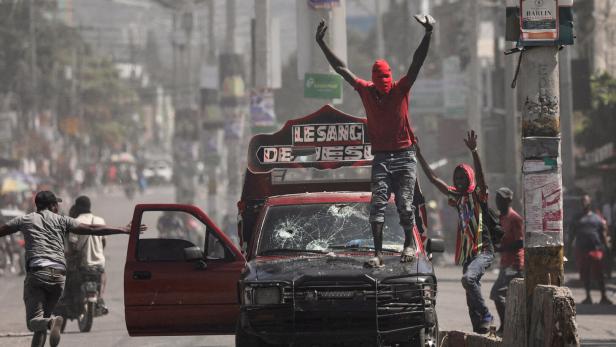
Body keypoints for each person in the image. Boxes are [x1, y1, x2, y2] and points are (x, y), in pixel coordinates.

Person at [315, 14, 434, 267]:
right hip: (381, 156)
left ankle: (409, 244)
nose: (384, 88)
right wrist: (321, 43)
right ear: (374, 81)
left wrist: (428, 34)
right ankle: (378, 254)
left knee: (404, 203)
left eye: (387, 83)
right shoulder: (366, 90)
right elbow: (341, 69)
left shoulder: (401, 89)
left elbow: (416, 62)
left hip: (404, 155)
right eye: (381, 85)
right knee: (377, 203)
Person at [0, 191, 139, 347]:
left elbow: (3, 230)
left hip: (38, 274)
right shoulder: (62, 220)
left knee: (33, 322)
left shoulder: (25, 219)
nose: (58, 207)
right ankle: (50, 322)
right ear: (52, 206)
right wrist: (122, 229)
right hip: (59, 276)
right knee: (42, 324)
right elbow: (92, 229)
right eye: (56, 204)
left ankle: (52, 322)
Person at [416, 130, 494, 334]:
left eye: (463, 177)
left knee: (468, 280)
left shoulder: (478, 195)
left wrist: (474, 151)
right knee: (470, 292)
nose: (459, 180)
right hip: (469, 255)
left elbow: (482, 177)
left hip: (483, 250)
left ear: (470, 177)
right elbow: (433, 179)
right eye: (456, 177)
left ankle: (486, 314)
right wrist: (419, 154)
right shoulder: (456, 197)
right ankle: (481, 329)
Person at [489, 187, 524, 334]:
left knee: (498, 294)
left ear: (509, 200)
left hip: (514, 263)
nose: (498, 202)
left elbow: (520, 242)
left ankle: (506, 326)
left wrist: (500, 249)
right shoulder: (500, 218)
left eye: (501, 199)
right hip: (505, 263)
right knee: (505, 296)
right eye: (497, 198)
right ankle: (510, 326)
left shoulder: (515, 218)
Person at [67, 195, 109, 314]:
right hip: (99, 263)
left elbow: (72, 246)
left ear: (77, 207)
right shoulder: (100, 221)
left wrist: (69, 255)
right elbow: (103, 242)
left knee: (70, 281)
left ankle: (71, 302)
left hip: (83, 264)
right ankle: (100, 298)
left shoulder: (75, 222)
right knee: (103, 276)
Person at [570, 194, 612, 305]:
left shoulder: (597, 218)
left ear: (590, 203)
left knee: (599, 274)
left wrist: (606, 247)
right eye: (583, 201)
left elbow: (603, 233)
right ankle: (588, 297)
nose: (584, 203)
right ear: (581, 203)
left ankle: (604, 297)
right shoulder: (576, 218)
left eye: (586, 201)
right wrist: (569, 249)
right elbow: (571, 234)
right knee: (585, 274)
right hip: (582, 250)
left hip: (596, 249)